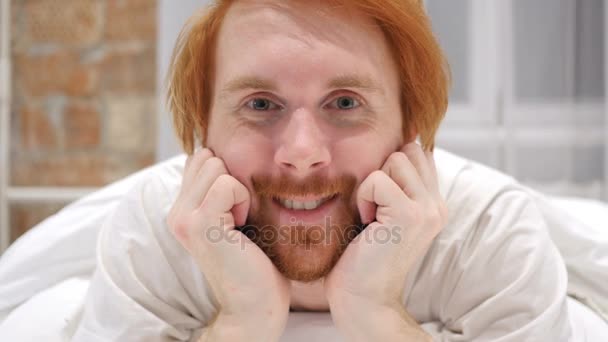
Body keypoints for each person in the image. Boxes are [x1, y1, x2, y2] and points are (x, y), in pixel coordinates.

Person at [71, 0, 584, 340]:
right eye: (260, 105)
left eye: (343, 102)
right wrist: (242, 318)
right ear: (201, 130)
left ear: (413, 125)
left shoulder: (489, 235)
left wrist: (374, 310)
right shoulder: (155, 236)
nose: (300, 152)